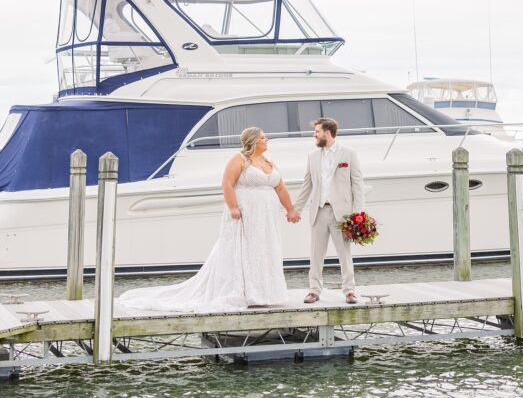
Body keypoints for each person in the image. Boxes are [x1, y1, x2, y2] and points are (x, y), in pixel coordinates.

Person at [119, 127, 300, 313]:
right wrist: (233, 207)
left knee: (264, 249)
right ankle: (246, 292)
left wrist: (290, 209)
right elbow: (227, 183)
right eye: (263, 137)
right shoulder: (239, 159)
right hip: (246, 214)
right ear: (254, 141)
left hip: (266, 218)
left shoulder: (269, 162)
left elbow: (280, 188)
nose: (266, 139)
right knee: (246, 250)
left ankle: (267, 292)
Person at [293, 117, 364, 305]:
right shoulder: (312, 156)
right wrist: (296, 209)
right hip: (318, 210)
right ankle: (314, 291)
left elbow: (357, 185)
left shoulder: (349, 154)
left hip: (342, 212)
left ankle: (350, 290)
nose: (314, 135)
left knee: (344, 254)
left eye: (317, 131)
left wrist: (359, 214)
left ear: (327, 132)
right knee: (316, 254)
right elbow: (306, 185)